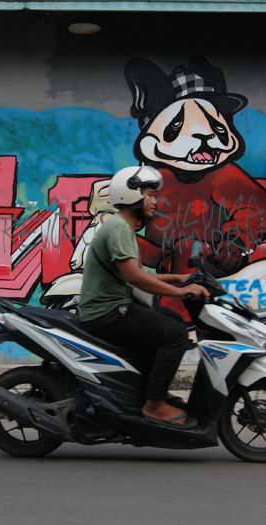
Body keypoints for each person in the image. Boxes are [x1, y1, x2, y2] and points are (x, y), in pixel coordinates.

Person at [78, 165, 210, 428]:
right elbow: (135, 278)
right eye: (150, 194)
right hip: (107, 311)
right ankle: (154, 404)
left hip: (115, 307)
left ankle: (153, 389)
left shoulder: (122, 228)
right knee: (175, 334)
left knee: (169, 318)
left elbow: (135, 273)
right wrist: (181, 291)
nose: (155, 200)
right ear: (131, 195)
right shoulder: (118, 229)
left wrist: (177, 278)